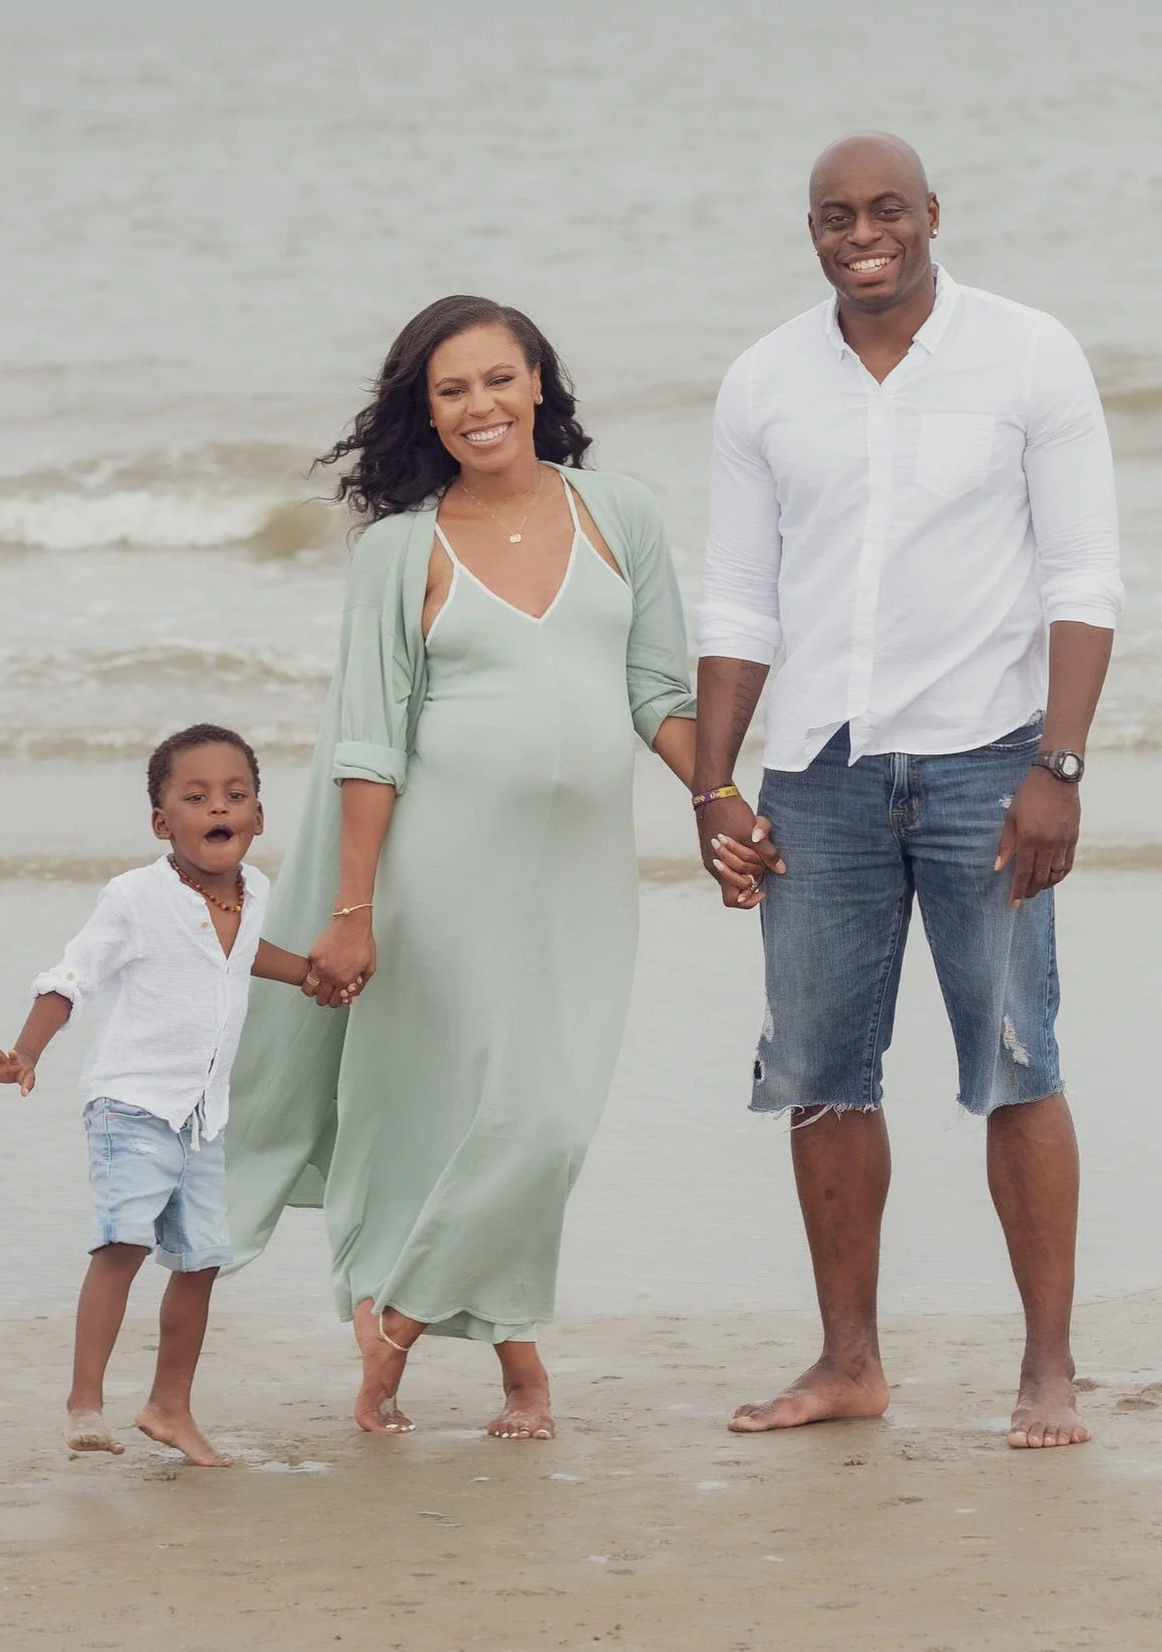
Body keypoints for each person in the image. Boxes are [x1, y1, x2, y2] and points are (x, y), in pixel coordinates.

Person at [220, 295, 766, 1442]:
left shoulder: (620, 513)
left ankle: (399, 1320)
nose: (481, 407)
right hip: (437, 877)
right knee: (442, 1112)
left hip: (578, 878)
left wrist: (716, 798)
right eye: (452, 389)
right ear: (427, 411)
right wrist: (354, 909)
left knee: (546, 1119)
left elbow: (658, 694)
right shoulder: (399, 551)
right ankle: (516, 1364)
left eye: (499, 380)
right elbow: (369, 743)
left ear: (539, 385)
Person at [693, 135, 1121, 1451]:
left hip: (988, 764)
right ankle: (846, 1364)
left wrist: (1055, 767)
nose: (859, 234)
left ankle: (1044, 1369)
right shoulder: (763, 381)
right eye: (833, 216)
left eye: (884, 211)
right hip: (813, 777)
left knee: (1013, 1065)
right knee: (819, 1075)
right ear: (808, 229)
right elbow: (737, 599)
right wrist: (710, 783)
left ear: (931, 215)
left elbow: (1081, 579)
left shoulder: (1028, 355)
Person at [0, 723, 335, 1464]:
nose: (219, 808)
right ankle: (84, 1402)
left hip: (203, 1114)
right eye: (196, 796)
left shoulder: (255, 893)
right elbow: (72, 975)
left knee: (202, 1260)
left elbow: (238, 956)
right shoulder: (135, 897)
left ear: (259, 817)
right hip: (131, 1103)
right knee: (123, 1241)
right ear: (161, 821)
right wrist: (25, 1051)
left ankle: (169, 1406)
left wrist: (307, 973)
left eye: (236, 795)